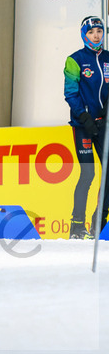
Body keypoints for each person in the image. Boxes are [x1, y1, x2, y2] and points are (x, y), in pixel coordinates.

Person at [63, 15, 109, 238]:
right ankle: (77, 226)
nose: (96, 35)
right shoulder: (75, 60)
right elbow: (70, 93)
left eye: (99, 31)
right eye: (91, 32)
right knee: (88, 173)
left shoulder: (108, 58)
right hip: (83, 125)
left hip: (104, 124)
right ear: (84, 35)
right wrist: (84, 117)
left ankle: (99, 222)